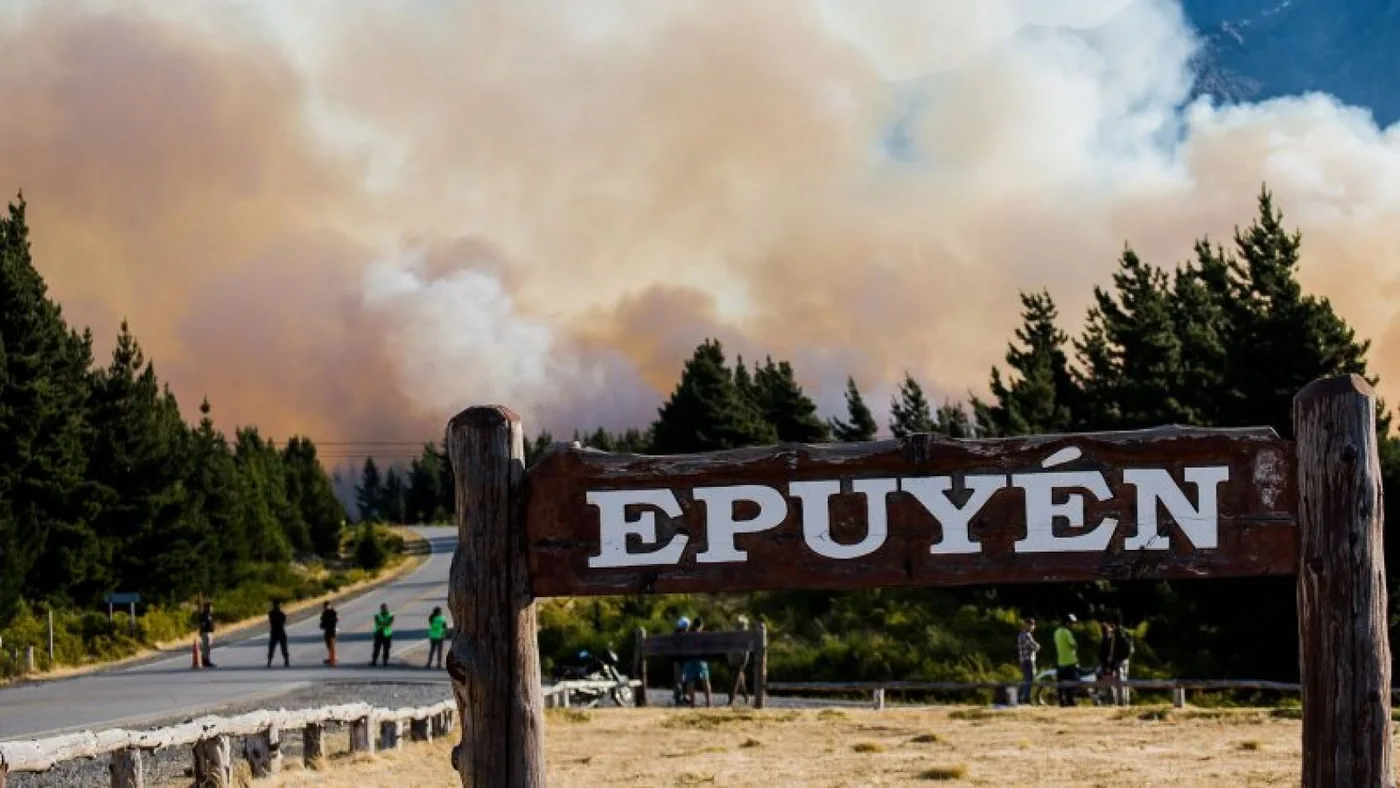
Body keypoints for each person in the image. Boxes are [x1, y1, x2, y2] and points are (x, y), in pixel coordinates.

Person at [681, 618, 713, 707]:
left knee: (690, 681)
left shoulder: (687, 634)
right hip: (701, 660)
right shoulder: (702, 635)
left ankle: (692, 703)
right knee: (705, 680)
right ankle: (708, 702)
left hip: (689, 659)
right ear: (700, 625)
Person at [1108, 614, 1135, 706]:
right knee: (1125, 680)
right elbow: (1132, 648)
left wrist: (1111, 660)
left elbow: (1113, 648)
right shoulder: (1126, 631)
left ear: (1113, 622)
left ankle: (1120, 702)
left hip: (1118, 660)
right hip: (1126, 659)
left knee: (1119, 680)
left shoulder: (1116, 632)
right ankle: (1127, 701)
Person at [1053, 614, 1079, 707]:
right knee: (1072, 683)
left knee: (1061, 683)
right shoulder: (1067, 632)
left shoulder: (1056, 632)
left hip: (1060, 661)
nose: (1073, 625)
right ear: (1067, 623)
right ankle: (1070, 701)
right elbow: (1073, 645)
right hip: (1070, 661)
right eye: (1072, 623)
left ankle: (1061, 701)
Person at [1016, 617, 1039, 705]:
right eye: (1031, 624)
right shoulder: (1026, 635)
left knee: (1026, 679)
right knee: (1029, 680)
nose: (1032, 626)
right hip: (1028, 660)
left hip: (1023, 660)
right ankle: (1025, 699)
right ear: (1026, 625)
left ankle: (1020, 698)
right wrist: (1037, 646)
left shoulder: (1022, 634)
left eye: (1033, 624)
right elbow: (1034, 646)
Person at [671, 616, 690, 705]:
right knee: (682, 679)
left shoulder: (675, 634)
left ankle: (678, 697)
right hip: (684, 660)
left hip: (677, 660)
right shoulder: (688, 635)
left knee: (679, 679)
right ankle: (681, 697)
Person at [267, 600, 289, 668]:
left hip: (275, 632)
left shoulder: (271, 614)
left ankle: (270, 662)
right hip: (280, 632)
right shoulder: (281, 614)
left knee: (273, 648)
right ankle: (286, 661)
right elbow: (283, 622)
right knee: (282, 648)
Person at [320, 601, 339, 666]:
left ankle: (332, 661)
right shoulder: (324, 612)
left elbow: (335, 620)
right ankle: (331, 658)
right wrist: (322, 625)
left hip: (332, 631)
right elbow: (322, 621)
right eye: (324, 607)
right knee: (328, 646)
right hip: (327, 631)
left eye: (325, 606)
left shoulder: (333, 612)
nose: (324, 607)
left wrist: (326, 622)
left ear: (328, 605)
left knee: (332, 646)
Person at [198, 603, 216, 668]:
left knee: (208, 647)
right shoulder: (205, 615)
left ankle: (207, 660)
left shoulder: (209, 614)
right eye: (210, 607)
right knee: (206, 647)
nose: (212, 608)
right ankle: (205, 661)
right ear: (207, 608)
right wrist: (201, 631)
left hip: (209, 632)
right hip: (206, 632)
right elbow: (203, 623)